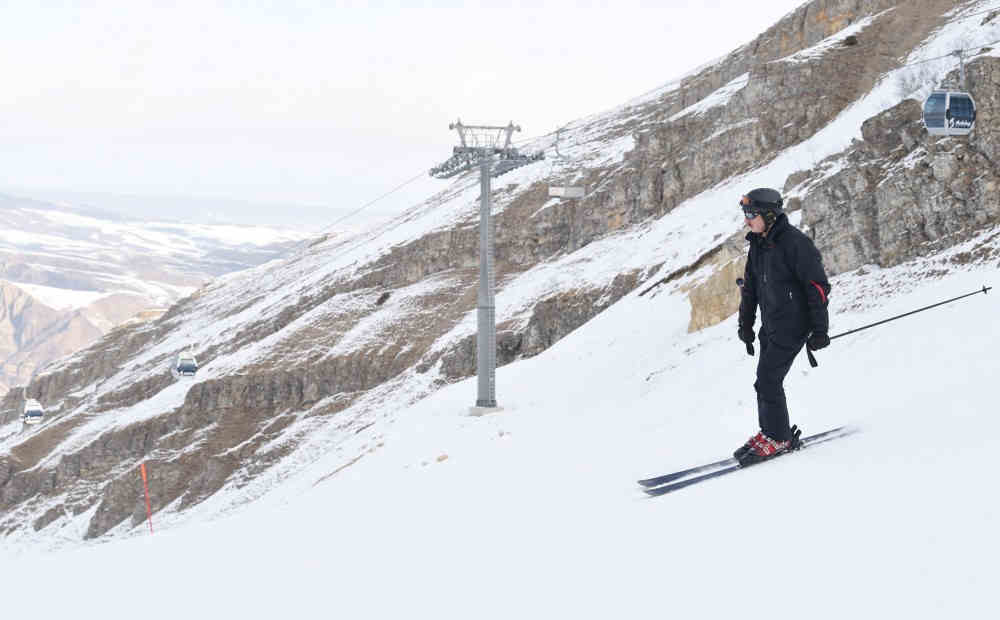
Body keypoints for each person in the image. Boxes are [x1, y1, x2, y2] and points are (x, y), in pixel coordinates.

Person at [734, 188, 831, 466]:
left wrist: (820, 330)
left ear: (768, 214)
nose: (747, 220)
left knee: (768, 380)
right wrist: (746, 325)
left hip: (793, 324)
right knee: (763, 382)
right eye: (745, 214)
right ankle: (771, 432)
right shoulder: (758, 245)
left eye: (751, 214)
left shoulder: (795, 243)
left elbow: (817, 288)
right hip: (772, 324)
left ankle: (778, 437)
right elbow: (750, 289)